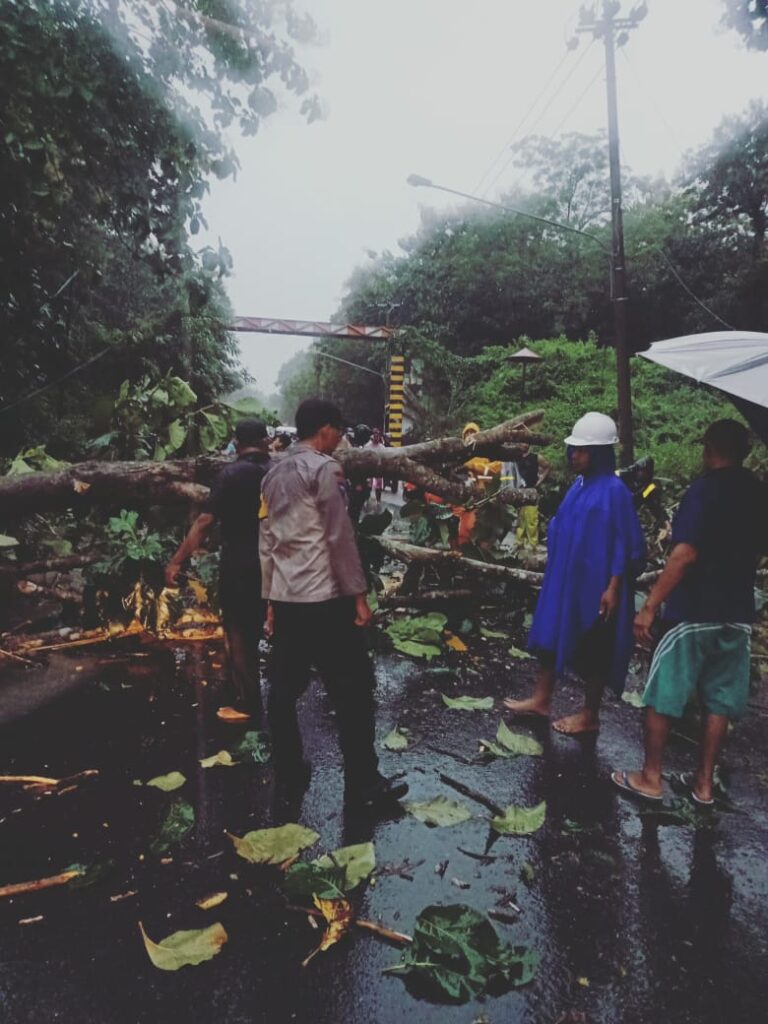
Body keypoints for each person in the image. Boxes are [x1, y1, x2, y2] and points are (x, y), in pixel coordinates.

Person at [260, 397, 408, 808]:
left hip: (288, 600)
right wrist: (359, 597)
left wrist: (271, 602)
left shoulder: (273, 475)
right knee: (354, 692)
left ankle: (289, 773)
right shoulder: (324, 470)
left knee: (284, 690)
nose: (340, 439)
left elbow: (267, 542)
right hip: (325, 600)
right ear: (324, 430)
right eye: (338, 432)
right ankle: (363, 784)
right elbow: (338, 537)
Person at [613, 419, 767, 804]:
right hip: (737, 612)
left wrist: (649, 606)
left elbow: (684, 554)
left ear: (709, 446)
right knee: (719, 700)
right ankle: (703, 784)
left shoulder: (704, 491)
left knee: (664, 691)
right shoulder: (758, 492)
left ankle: (650, 778)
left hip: (696, 610)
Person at [504, 412, 646, 734]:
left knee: (595, 649)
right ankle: (541, 699)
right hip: (567, 582)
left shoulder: (615, 491)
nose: (574, 456)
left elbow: (626, 544)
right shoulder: (579, 486)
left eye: (581, 451)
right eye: (573, 449)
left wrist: (613, 586)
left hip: (595, 586)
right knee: (550, 634)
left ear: (599, 454)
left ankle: (590, 715)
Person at [165, 419, 271, 722]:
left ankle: (248, 703)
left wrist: (177, 560)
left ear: (236, 443)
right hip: (283, 562)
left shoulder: (230, 475)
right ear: (265, 441)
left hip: (241, 563)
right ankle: (282, 699)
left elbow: (204, 522)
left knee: (241, 632)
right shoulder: (279, 472)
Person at [512, 443, 551, 549]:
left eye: (525, 442)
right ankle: (519, 542)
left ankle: (532, 543)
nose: (523, 444)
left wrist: (540, 481)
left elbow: (547, 466)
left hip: (531, 490)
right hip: (518, 491)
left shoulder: (536, 457)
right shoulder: (515, 457)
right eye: (521, 442)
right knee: (519, 517)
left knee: (532, 517)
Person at [365, 427, 386, 504]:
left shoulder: (382, 447)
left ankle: (378, 501)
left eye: (378, 435)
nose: (376, 437)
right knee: (368, 485)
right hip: (369, 468)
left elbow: (385, 458)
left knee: (379, 485)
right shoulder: (367, 446)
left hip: (378, 469)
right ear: (372, 436)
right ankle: (366, 500)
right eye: (375, 435)